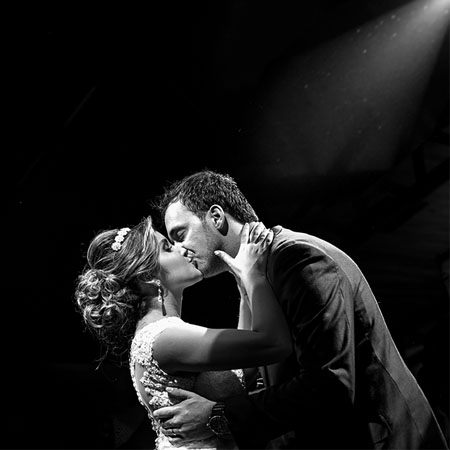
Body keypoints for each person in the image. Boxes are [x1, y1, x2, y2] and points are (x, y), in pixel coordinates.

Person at [151, 169, 449, 450]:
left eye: (180, 234)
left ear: (216, 217)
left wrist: (219, 415)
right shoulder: (258, 274)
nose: (179, 249)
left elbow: (331, 383)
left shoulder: (298, 259)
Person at [74, 216, 292, 450]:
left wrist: (242, 281)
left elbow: (247, 363)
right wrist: (255, 275)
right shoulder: (164, 338)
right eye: (168, 248)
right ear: (148, 277)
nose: (182, 248)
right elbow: (273, 344)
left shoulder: (161, 333)